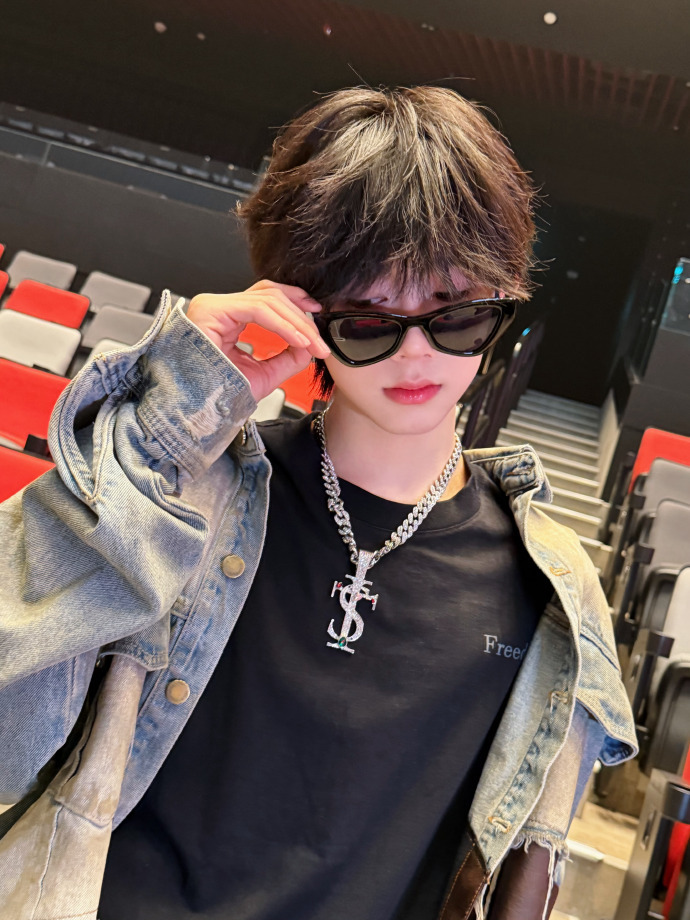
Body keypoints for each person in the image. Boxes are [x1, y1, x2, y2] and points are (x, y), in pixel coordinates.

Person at [0, 86, 636, 920]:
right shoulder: (181, 491)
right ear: (302, 308)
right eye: (370, 320)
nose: (416, 353)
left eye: (455, 315)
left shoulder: (554, 593)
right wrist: (167, 416)